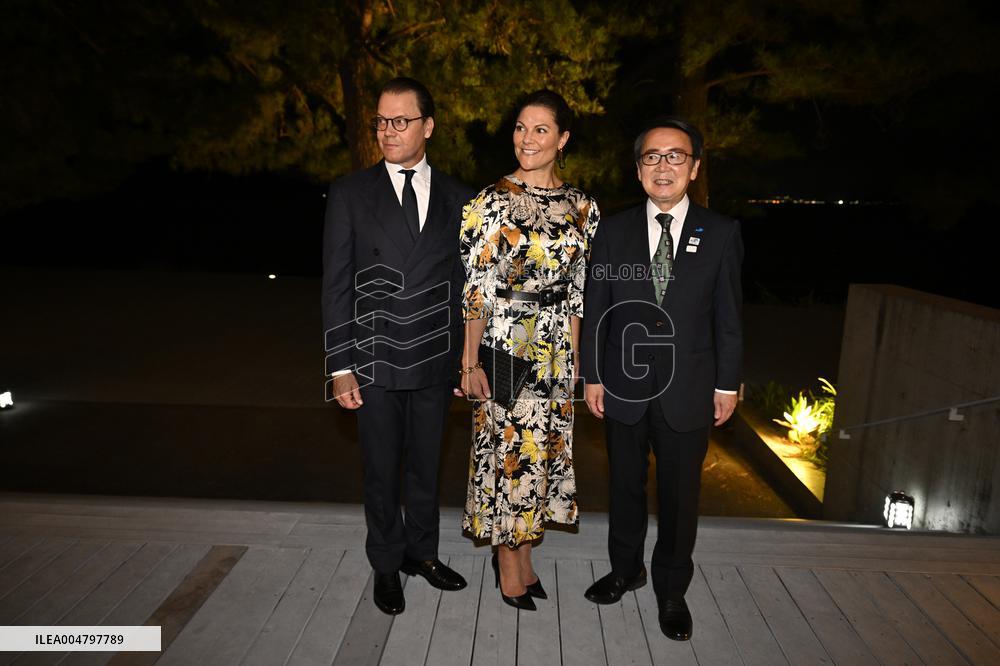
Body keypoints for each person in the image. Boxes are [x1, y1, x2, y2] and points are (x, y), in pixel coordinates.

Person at [580, 117, 743, 640]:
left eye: (676, 156)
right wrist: (592, 375)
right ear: (638, 170)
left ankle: (672, 588)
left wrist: (727, 383)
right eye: (652, 156)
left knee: (680, 497)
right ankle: (626, 569)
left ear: (694, 168)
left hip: (689, 390)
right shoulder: (612, 230)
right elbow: (596, 307)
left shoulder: (719, 233)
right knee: (624, 486)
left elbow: (728, 317)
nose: (663, 166)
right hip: (622, 387)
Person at [322, 77, 473, 615]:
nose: (388, 131)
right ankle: (386, 564)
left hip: (436, 357)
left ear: (427, 127)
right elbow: (337, 284)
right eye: (382, 121)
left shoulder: (460, 196)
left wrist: (467, 359)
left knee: (426, 464)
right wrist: (340, 366)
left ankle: (423, 553)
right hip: (374, 359)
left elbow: (466, 286)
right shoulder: (349, 192)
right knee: (382, 468)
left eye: (400, 121)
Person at [459, 90, 600, 611]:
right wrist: (469, 362)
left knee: (543, 454)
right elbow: (474, 289)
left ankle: (525, 558)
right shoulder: (489, 202)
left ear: (562, 139)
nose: (527, 138)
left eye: (541, 129)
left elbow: (582, 289)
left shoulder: (586, 207)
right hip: (505, 342)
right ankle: (507, 565)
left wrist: (579, 359)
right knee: (507, 454)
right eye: (521, 127)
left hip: (558, 348)